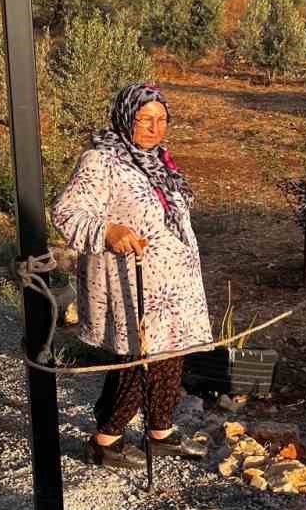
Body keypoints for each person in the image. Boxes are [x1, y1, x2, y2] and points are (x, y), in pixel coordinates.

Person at [53, 82, 211, 471]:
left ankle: (160, 433)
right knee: (140, 358)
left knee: (171, 355)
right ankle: (105, 440)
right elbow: (66, 212)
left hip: (174, 285)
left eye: (161, 119)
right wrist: (108, 232)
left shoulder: (161, 162)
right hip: (130, 281)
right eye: (145, 119)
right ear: (126, 118)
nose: (154, 128)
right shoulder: (101, 160)